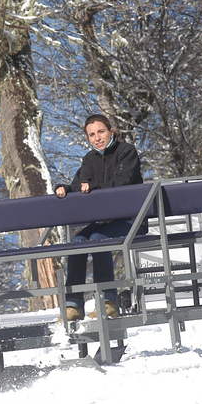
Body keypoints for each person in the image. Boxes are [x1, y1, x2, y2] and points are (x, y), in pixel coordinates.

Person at [54, 114, 143, 321]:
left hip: (131, 219)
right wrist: (65, 188)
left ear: (111, 131)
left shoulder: (126, 152)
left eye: (101, 132)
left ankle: (108, 301)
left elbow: (122, 182)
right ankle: (73, 304)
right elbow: (80, 183)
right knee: (78, 240)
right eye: (91, 135)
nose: (97, 138)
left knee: (97, 239)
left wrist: (93, 187)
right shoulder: (89, 159)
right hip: (104, 221)